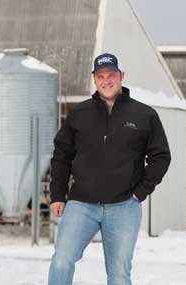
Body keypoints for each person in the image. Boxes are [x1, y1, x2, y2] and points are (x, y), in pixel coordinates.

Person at [48, 53, 171, 285]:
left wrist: (141, 191)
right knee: (61, 260)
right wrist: (57, 195)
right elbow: (62, 155)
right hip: (81, 204)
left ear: (121, 76)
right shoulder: (79, 114)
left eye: (111, 75)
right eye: (101, 76)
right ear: (94, 79)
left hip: (124, 206)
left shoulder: (144, 115)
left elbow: (161, 156)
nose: (106, 81)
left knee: (119, 274)